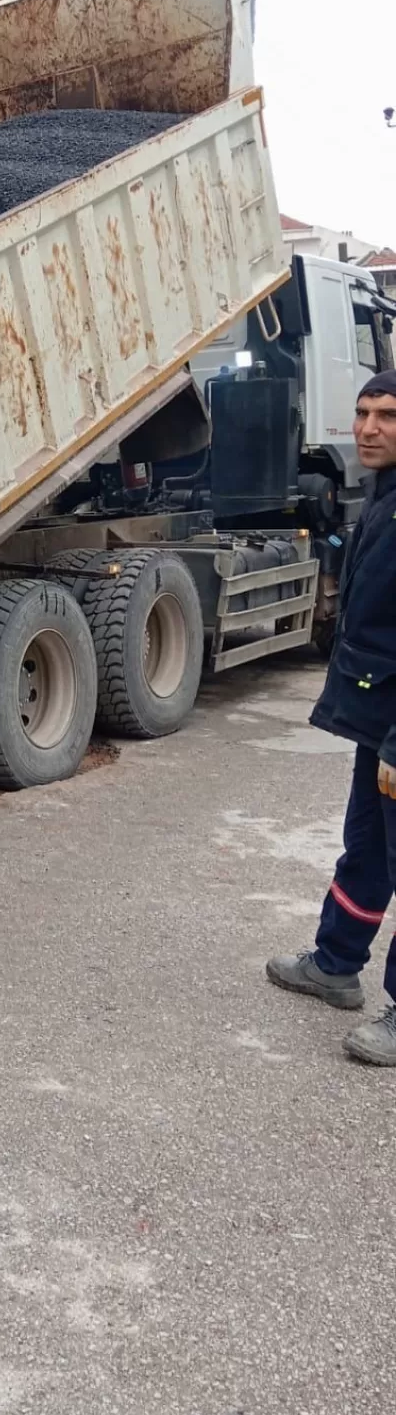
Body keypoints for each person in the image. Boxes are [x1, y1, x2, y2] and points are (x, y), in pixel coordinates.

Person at [267, 367, 396, 1064]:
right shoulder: (381, 497)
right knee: (366, 845)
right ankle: (335, 963)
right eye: (363, 413)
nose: (370, 428)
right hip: (376, 719)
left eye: (388, 415)